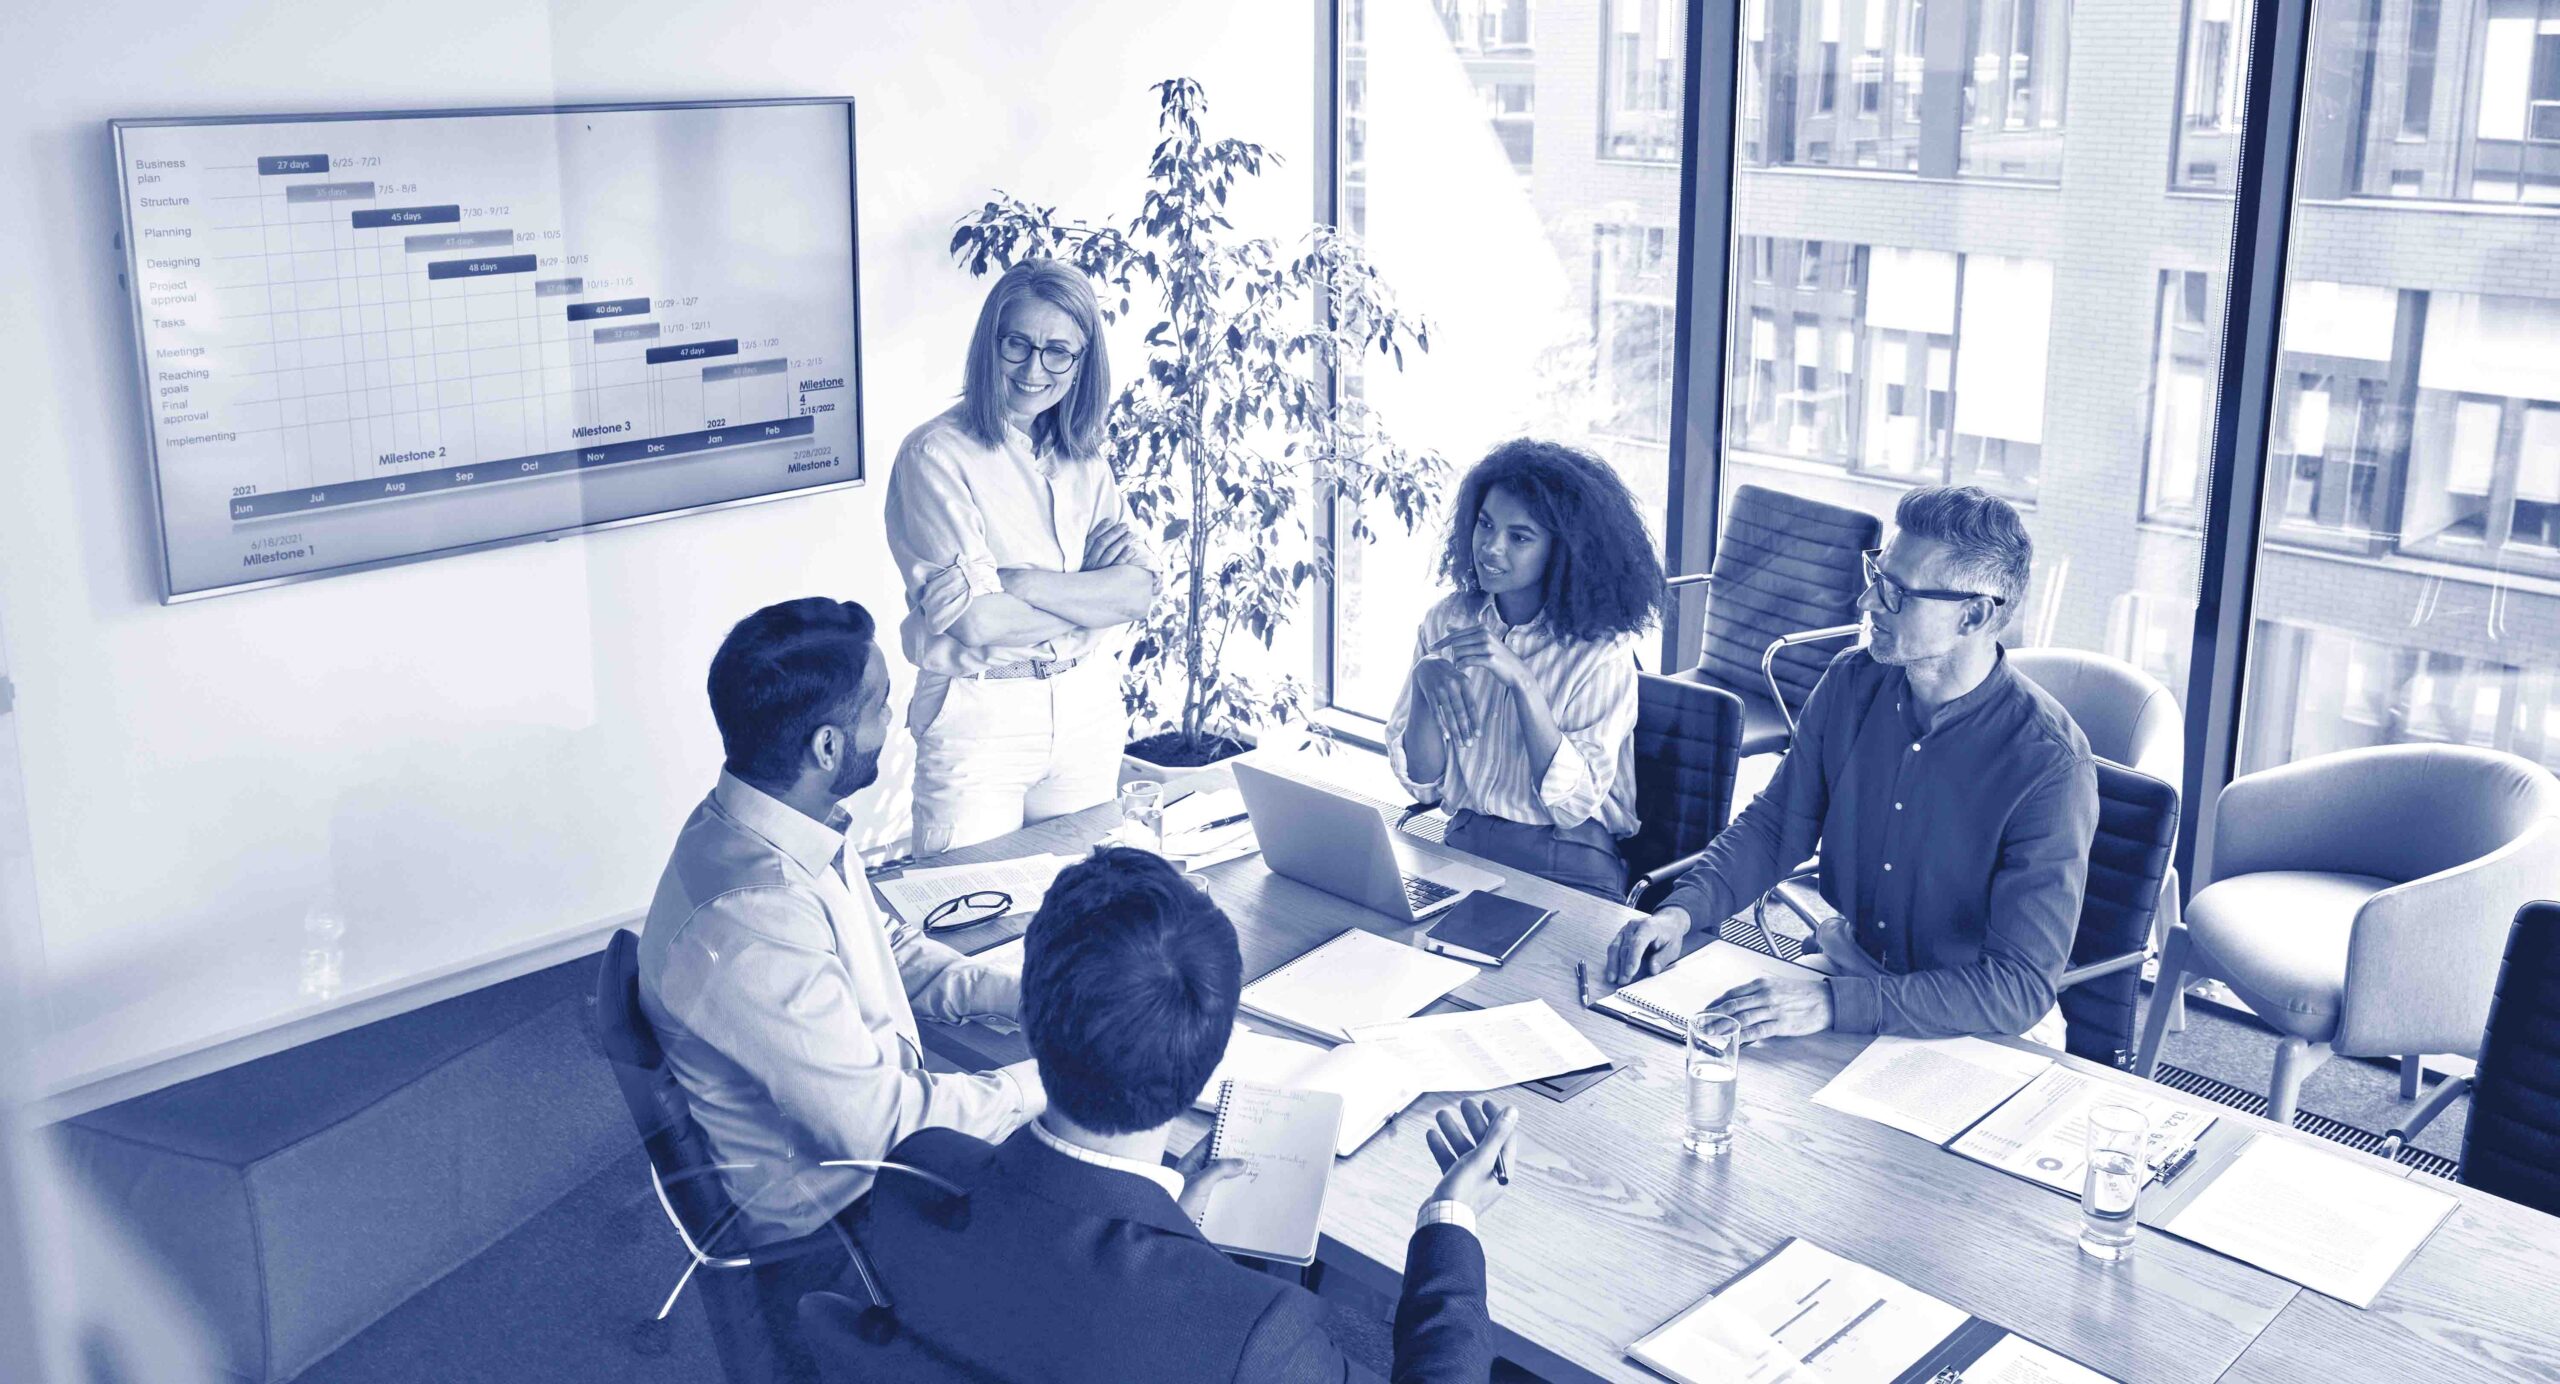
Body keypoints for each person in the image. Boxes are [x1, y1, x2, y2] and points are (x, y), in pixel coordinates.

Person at [807, 848, 1518, 1383]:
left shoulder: (916, 1177)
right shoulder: (1255, 1332)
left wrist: (1170, 1206)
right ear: (1208, 1063)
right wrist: (1450, 1222)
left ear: (1027, 1012)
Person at [1604, 486, 2099, 1046]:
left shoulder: (2051, 764)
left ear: (1975, 615)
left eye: (1896, 593)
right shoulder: (1851, 680)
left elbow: (2015, 989)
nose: (1866, 603)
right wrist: (1681, 913)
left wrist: (1833, 1003)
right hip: (1847, 970)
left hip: (1974, 1022)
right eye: (1875, 575)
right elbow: (1774, 829)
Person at [637, 597, 1043, 1249]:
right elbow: (883, 1130)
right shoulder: (750, 920)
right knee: (1103, 1201)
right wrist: (1054, 1077)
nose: (899, 720)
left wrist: (1024, 999)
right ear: (828, 746)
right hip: (845, 1219)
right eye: (881, 706)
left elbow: (887, 948)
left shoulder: (775, 819)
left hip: (871, 1148)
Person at [884, 259, 1159, 857]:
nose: (1036, 369)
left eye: (1059, 351)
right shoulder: (935, 455)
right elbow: (977, 622)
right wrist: (1092, 597)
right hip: (982, 714)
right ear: (991, 344)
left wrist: (1022, 582)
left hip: (1087, 708)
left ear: (1083, 361)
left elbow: (1139, 593)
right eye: (1019, 345)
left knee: (1088, 914)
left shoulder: (1086, 456)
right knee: (970, 918)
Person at [1386, 439, 1664, 900]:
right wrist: (1424, 683)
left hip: (1567, 861)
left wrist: (1522, 682)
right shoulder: (1447, 620)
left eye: (1520, 537)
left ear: (1563, 551)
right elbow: (1424, 784)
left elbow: (1573, 807)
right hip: (1465, 843)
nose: (1491, 549)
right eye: (1485, 524)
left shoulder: (1601, 652)